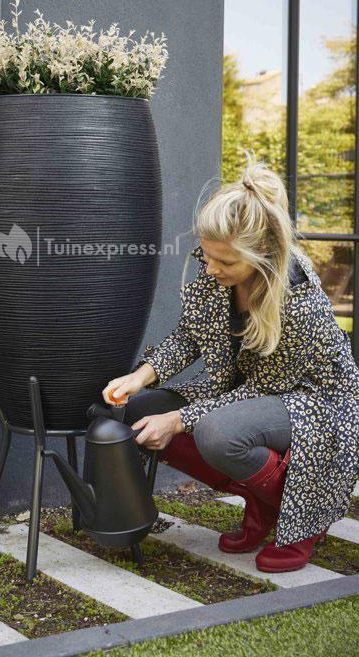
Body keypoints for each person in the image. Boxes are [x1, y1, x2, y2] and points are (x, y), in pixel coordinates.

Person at [101, 150, 359, 573]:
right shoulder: (216, 267)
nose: (211, 268)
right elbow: (191, 333)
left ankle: (303, 515)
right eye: (207, 257)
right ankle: (264, 501)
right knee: (137, 412)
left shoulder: (299, 302)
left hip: (318, 398)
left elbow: (263, 390)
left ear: (262, 255)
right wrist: (139, 378)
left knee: (217, 433)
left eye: (225, 262)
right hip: (248, 387)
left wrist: (178, 420)